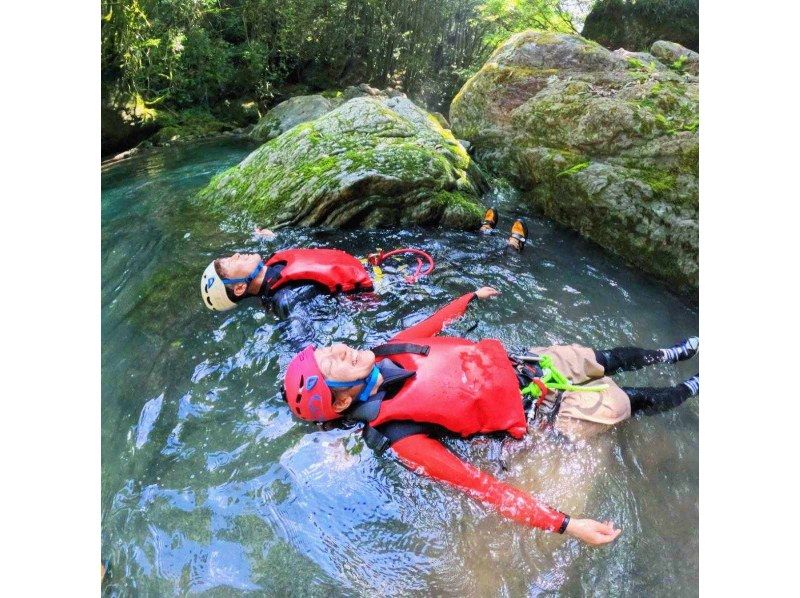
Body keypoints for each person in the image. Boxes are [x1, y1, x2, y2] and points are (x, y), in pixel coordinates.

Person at [281, 287, 699, 546]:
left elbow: (431, 328)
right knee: (626, 402)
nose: (338, 349)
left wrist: (467, 300)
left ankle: (673, 352)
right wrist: (567, 525)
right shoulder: (400, 434)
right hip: (544, 412)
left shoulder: (386, 351)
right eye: (331, 365)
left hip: (530, 366)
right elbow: (481, 487)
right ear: (338, 404)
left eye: (327, 349)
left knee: (601, 358)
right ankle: (691, 389)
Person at [200, 247, 375, 317]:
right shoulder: (287, 300)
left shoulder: (275, 264)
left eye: (230, 257)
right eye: (231, 262)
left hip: (368, 266)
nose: (236, 255)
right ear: (240, 287)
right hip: (376, 289)